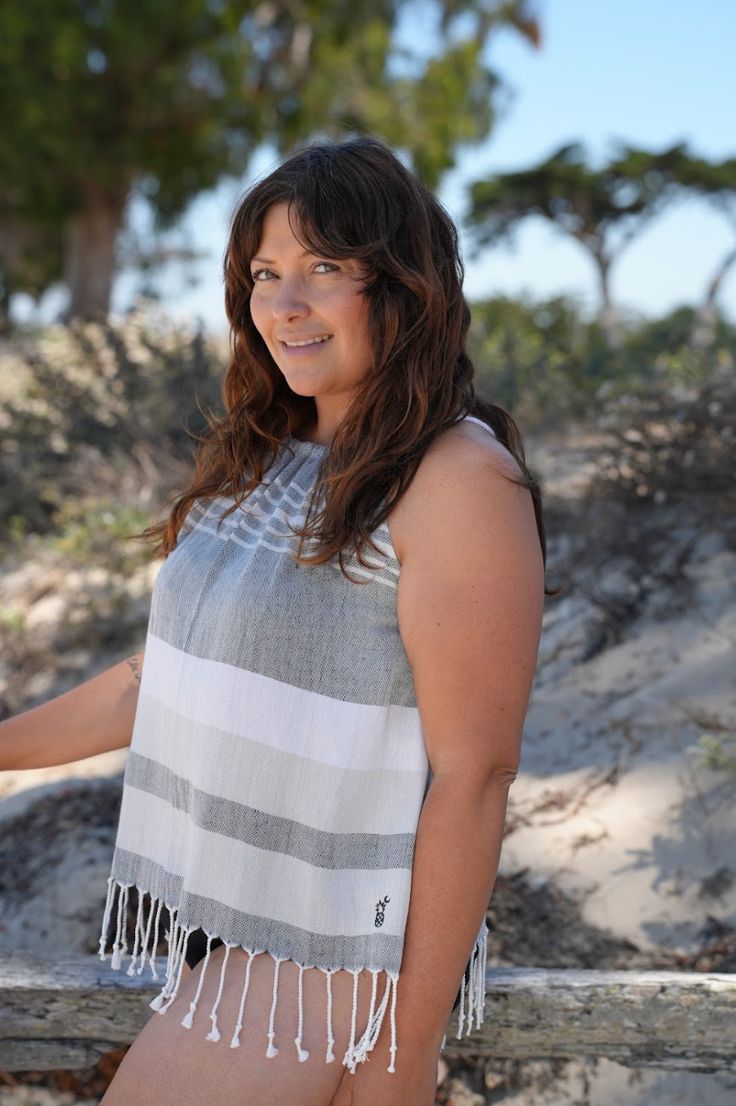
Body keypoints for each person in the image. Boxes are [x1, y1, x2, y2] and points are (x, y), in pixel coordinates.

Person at [0, 136, 548, 1106]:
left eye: (324, 268)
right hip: (240, 934)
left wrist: (400, 1050)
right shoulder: (270, 456)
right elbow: (168, 675)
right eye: (265, 273)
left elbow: (477, 772)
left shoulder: (455, 476)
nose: (284, 304)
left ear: (402, 283)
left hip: (337, 958)